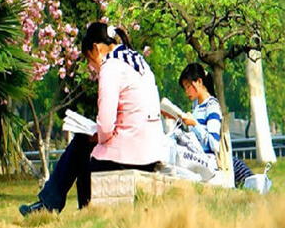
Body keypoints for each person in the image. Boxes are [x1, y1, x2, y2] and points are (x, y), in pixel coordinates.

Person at [20, 23, 164, 215]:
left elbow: (105, 125)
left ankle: (55, 205)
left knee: (82, 146)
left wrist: (98, 136)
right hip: (151, 150)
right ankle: (52, 204)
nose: (93, 67)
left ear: (96, 48)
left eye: (90, 60)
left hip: (130, 154)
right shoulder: (137, 61)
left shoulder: (111, 67)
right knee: (85, 149)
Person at [177, 63, 253, 187]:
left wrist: (194, 124)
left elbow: (214, 143)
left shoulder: (211, 106)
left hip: (210, 163)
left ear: (199, 82)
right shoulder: (196, 107)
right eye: (185, 88)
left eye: (188, 86)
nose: (187, 92)